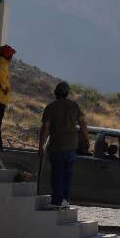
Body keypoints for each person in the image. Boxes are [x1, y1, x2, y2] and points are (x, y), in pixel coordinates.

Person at [39, 81, 90, 209]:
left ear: (55, 93)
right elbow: (83, 123)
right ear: (67, 93)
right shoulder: (74, 106)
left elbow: (45, 128)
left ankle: (56, 201)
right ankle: (65, 200)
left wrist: (40, 146)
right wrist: (86, 139)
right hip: (71, 146)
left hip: (57, 146)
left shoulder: (51, 107)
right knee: (67, 175)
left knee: (57, 174)